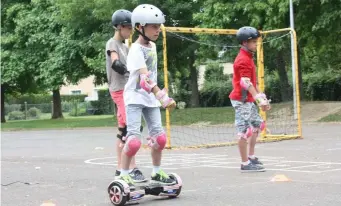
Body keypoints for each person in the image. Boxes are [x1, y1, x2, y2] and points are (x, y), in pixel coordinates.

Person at [118, 4, 177, 188]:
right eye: (153, 26)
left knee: (160, 138)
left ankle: (157, 172)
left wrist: (158, 95)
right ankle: (124, 174)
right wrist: (162, 96)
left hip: (150, 98)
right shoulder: (135, 49)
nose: (158, 30)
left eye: (159, 26)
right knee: (134, 141)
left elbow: (151, 74)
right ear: (139, 27)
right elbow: (144, 79)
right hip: (135, 98)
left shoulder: (151, 45)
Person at [105, 9, 146, 182]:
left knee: (123, 129)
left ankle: (119, 168)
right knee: (132, 128)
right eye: (129, 28)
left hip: (127, 89)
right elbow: (115, 63)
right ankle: (132, 167)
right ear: (120, 27)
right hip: (119, 89)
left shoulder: (126, 46)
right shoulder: (112, 43)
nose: (130, 32)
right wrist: (127, 69)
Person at [229, 26, 271, 172]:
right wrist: (259, 100)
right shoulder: (242, 60)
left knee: (258, 125)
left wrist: (262, 98)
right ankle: (245, 163)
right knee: (244, 131)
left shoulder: (248, 57)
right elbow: (245, 83)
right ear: (245, 43)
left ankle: (251, 156)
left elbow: (254, 82)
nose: (256, 44)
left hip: (248, 99)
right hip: (241, 100)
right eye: (253, 42)